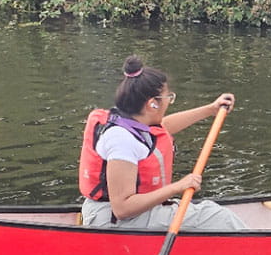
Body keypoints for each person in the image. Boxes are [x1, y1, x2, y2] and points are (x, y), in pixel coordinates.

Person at [78, 55, 246, 230]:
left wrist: (210, 109)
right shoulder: (122, 142)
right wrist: (178, 187)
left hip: (118, 214)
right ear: (152, 104)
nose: (169, 103)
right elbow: (122, 208)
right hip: (112, 221)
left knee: (208, 214)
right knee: (219, 217)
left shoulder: (131, 120)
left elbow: (164, 127)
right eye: (168, 98)